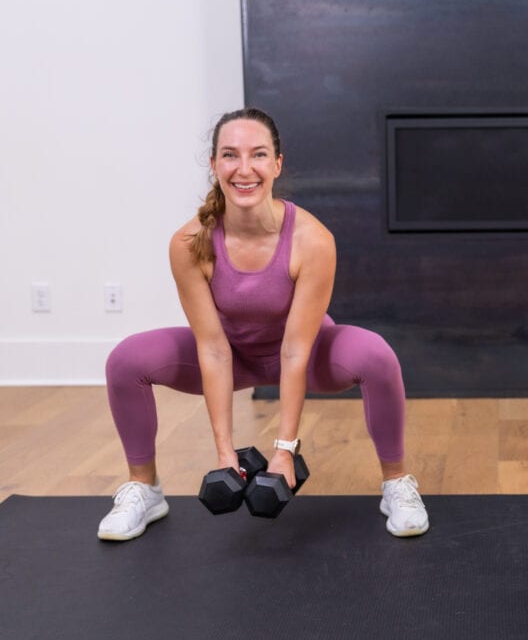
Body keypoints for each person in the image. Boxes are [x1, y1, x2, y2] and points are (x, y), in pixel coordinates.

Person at [98, 108, 429, 541]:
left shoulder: (312, 240)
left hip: (304, 353)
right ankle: (145, 489)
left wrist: (284, 449)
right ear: (215, 165)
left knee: (375, 355)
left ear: (277, 164)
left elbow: (295, 350)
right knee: (126, 360)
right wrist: (223, 454)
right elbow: (213, 348)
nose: (244, 168)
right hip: (232, 355)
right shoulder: (190, 243)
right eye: (230, 155)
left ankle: (396, 483)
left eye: (258, 154)